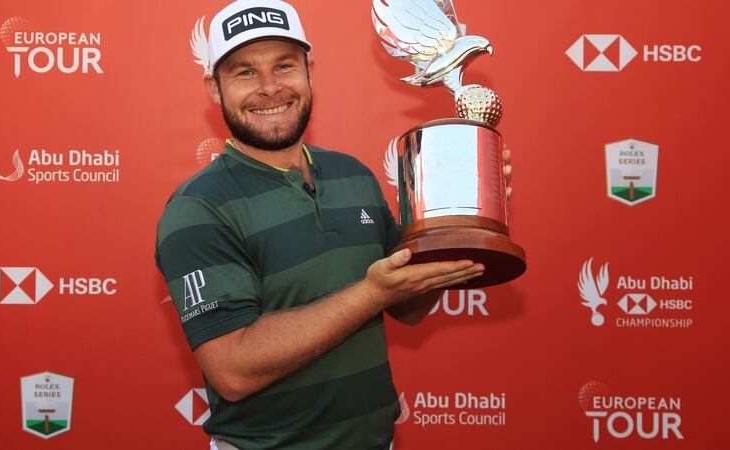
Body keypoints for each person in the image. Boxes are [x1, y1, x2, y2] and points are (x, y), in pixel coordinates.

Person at [155, 1, 510, 448]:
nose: (269, 88)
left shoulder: (353, 175)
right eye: (245, 72)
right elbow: (234, 370)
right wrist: (373, 292)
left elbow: (409, 308)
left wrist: (452, 216)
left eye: (284, 66)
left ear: (309, 71)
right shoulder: (197, 207)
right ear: (213, 87)